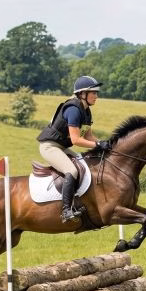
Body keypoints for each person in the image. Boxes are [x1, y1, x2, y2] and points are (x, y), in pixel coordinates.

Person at [36, 75, 112, 222]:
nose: (96, 96)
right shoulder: (73, 109)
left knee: (84, 164)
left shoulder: (86, 111)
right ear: (83, 94)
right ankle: (65, 210)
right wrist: (98, 145)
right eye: (93, 93)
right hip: (49, 146)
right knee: (71, 170)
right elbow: (76, 140)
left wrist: (106, 143)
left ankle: (78, 202)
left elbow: (89, 137)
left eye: (96, 93)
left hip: (61, 147)